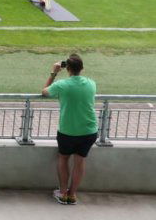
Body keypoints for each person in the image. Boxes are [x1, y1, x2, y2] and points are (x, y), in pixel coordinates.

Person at [42, 54, 97, 205]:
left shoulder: (62, 84)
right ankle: (72, 195)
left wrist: (54, 72)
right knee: (80, 161)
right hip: (89, 130)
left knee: (63, 158)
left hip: (68, 131)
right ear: (82, 68)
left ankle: (62, 193)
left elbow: (44, 92)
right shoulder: (91, 83)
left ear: (68, 69)